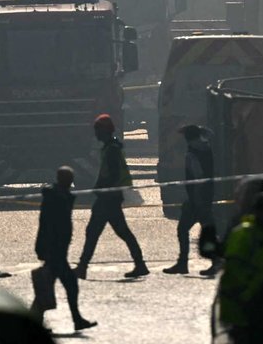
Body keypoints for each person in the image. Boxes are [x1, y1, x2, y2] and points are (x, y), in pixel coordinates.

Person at [75, 114, 149, 280]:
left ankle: (82, 267)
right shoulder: (110, 148)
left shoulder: (112, 150)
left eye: (97, 130)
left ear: (104, 131)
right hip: (111, 197)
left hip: (108, 198)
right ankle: (140, 264)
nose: (95, 134)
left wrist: (101, 187)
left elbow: (113, 174)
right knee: (120, 232)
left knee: (94, 232)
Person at [216, 189, 263, 344]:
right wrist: (245, 299)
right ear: (258, 211)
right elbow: (233, 272)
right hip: (245, 312)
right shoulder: (244, 235)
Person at [33, 166, 96, 332]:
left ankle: (36, 322)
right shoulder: (58, 198)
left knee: (46, 286)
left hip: (55, 249)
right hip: (55, 250)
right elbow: (50, 225)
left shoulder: (58, 196)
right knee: (69, 284)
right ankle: (76, 319)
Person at [163, 124, 216, 275]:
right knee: (207, 229)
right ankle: (212, 261)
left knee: (184, 229)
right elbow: (209, 132)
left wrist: (195, 199)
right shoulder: (206, 146)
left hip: (197, 198)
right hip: (205, 195)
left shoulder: (192, 153)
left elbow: (197, 177)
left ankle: (184, 263)